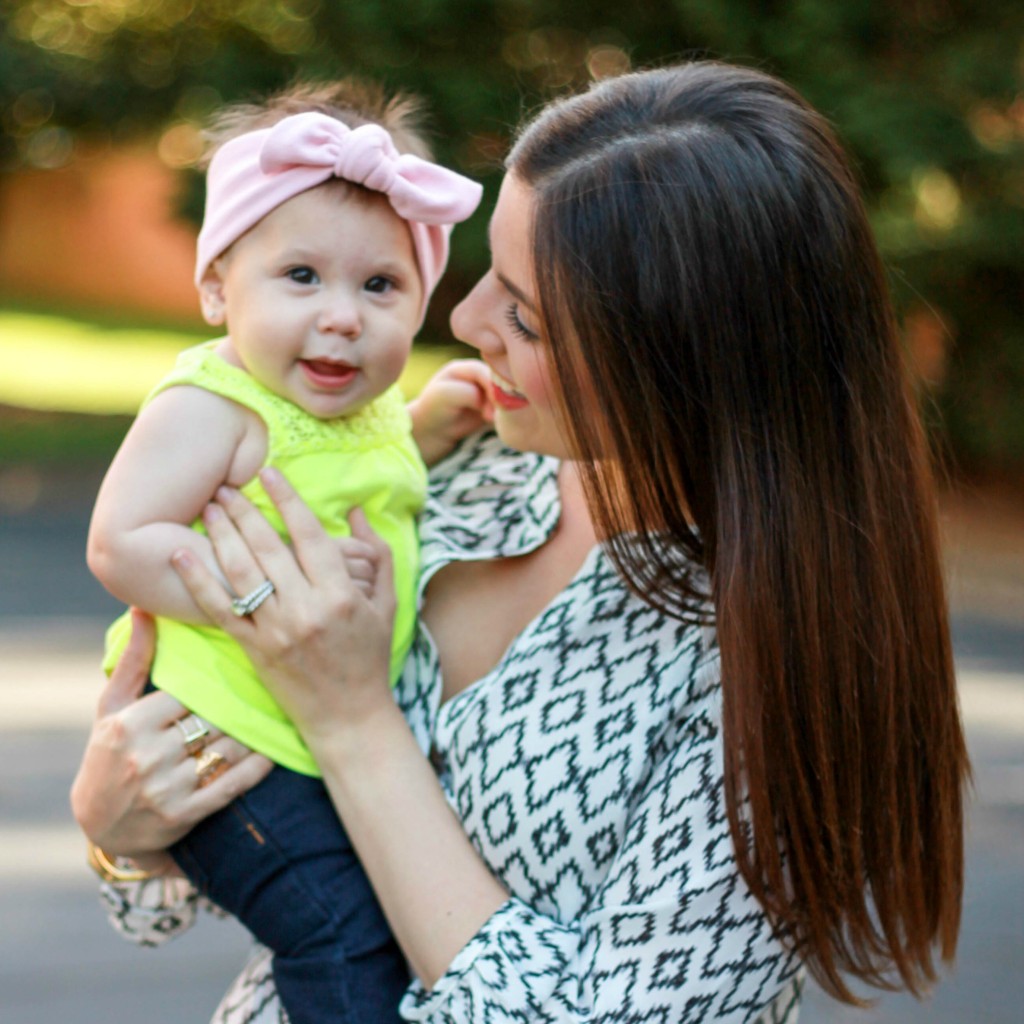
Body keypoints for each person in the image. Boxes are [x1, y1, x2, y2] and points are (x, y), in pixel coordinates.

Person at [72, 61, 970, 1023]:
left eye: (525, 315)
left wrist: (353, 721)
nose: (459, 322)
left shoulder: (775, 667)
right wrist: (124, 833)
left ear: (674, 364)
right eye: (484, 274)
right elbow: (198, 880)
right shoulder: (465, 467)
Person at [85, 79, 484, 1024]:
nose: (343, 315)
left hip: (296, 738)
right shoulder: (212, 407)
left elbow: (356, 475)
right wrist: (268, 593)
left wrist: (426, 430)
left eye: (380, 286)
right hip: (216, 740)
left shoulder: (366, 406)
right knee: (342, 934)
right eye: (301, 277)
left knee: (386, 921)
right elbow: (120, 542)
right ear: (219, 287)